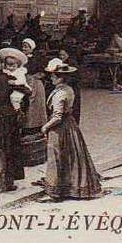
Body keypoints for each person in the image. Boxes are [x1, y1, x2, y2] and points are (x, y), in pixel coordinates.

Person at [40, 58, 102, 202]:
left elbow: (57, 116)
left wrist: (45, 127)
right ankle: (70, 187)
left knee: (56, 157)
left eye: (53, 76)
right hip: (70, 126)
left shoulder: (60, 93)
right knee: (71, 157)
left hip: (60, 129)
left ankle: (56, 191)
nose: (51, 78)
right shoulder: (67, 89)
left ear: (60, 77)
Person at [0, 47, 32, 191]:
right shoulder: (8, 79)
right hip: (8, 117)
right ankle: (7, 181)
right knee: (9, 148)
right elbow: (26, 95)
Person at [19, 39, 48, 139]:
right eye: (23, 46)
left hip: (35, 83)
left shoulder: (37, 58)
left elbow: (43, 71)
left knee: (35, 105)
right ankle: (25, 127)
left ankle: (35, 127)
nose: (24, 49)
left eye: (26, 47)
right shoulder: (20, 59)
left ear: (32, 48)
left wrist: (36, 76)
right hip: (23, 81)